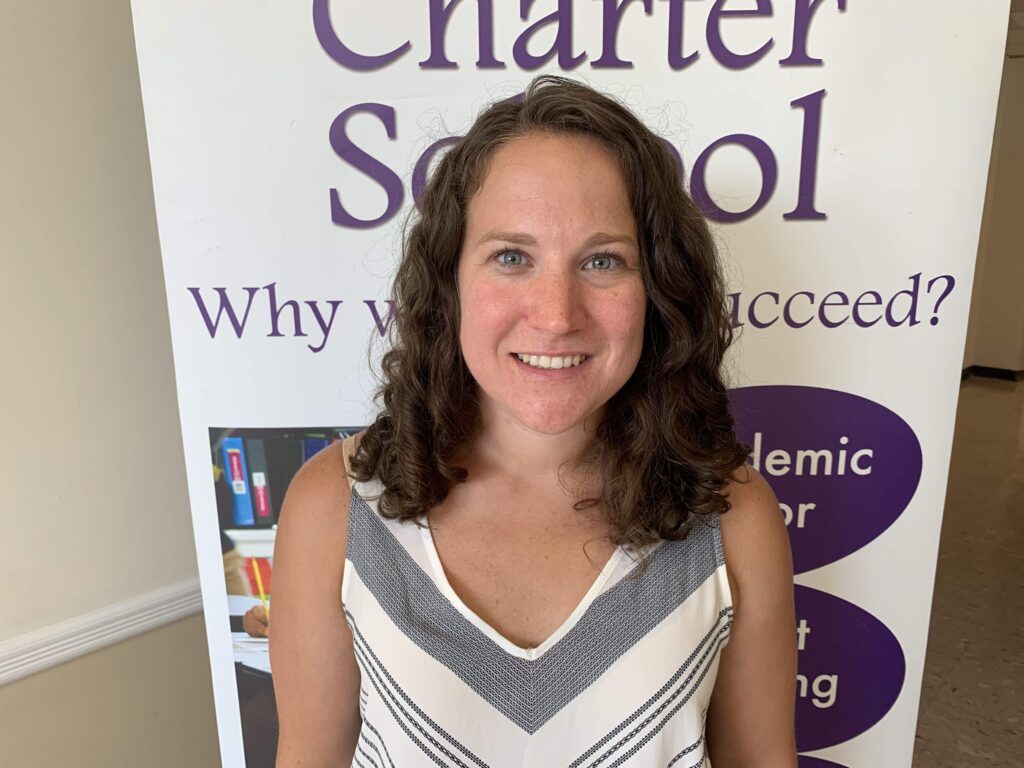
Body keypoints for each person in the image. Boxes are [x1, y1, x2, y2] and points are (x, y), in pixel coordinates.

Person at [270, 75, 797, 767]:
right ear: (451, 280)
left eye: (602, 260)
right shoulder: (334, 507)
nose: (556, 315)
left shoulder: (732, 515)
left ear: (658, 287)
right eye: (512, 257)